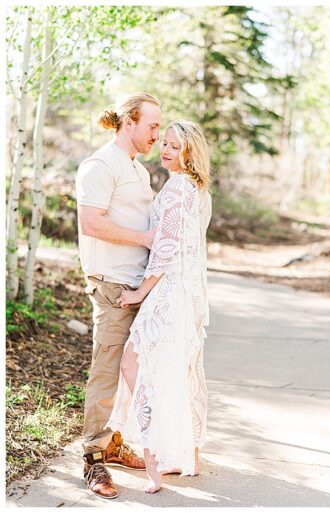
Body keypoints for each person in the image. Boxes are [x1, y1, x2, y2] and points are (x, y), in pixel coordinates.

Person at [106, 120, 213, 493]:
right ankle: (189, 457)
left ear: (189, 151)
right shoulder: (196, 189)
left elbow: (165, 248)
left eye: (173, 145)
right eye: (164, 143)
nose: (165, 150)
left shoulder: (179, 187)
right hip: (187, 292)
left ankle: (157, 459)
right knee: (178, 368)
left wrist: (140, 292)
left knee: (137, 364)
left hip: (169, 292)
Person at [75, 92, 161, 499]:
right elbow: (91, 223)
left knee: (136, 371)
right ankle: (93, 459)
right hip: (112, 285)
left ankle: (114, 441)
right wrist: (146, 237)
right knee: (107, 369)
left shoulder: (137, 171)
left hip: (139, 285)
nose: (156, 135)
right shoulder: (99, 166)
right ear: (129, 122)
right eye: (152, 126)